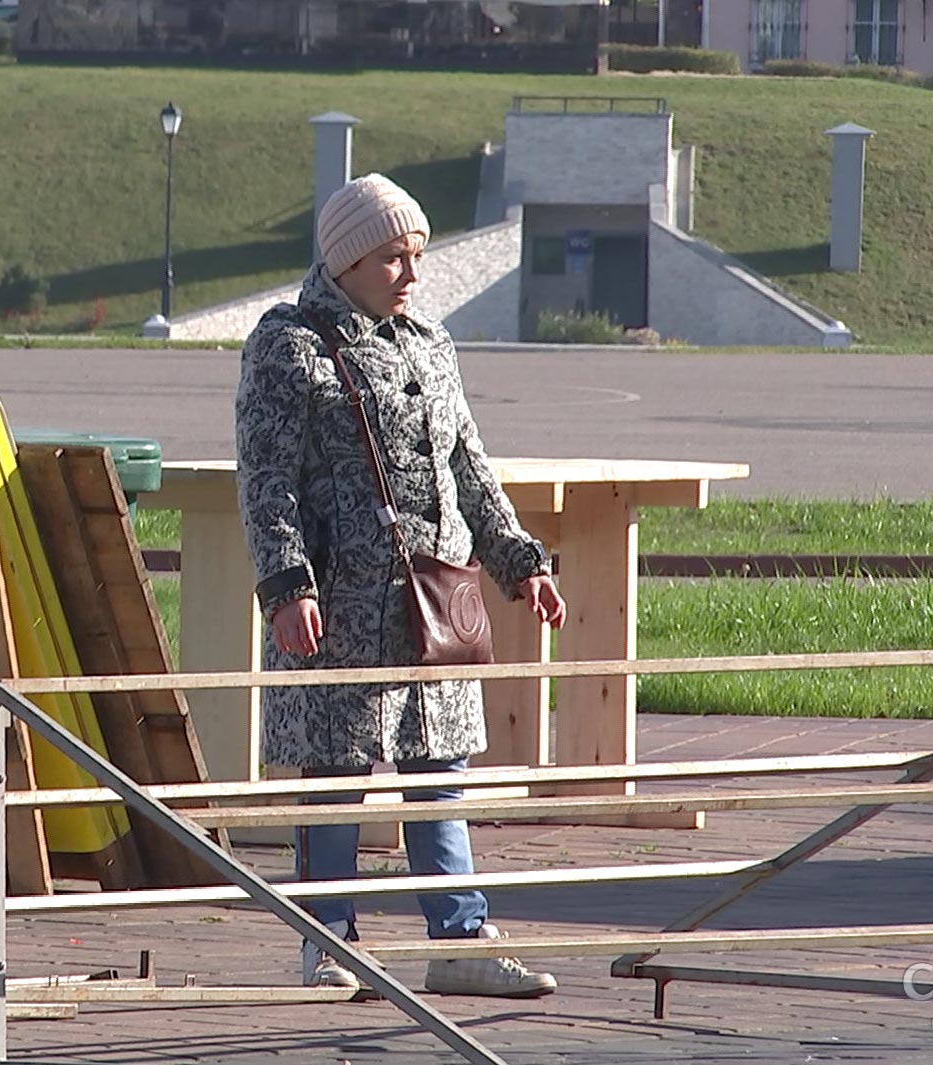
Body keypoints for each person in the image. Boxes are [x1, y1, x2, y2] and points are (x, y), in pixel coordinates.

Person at [234, 174, 568, 998]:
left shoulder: (430, 341)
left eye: (416, 253)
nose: (411, 271)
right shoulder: (291, 343)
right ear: (346, 261)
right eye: (392, 256)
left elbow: (470, 468)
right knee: (335, 770)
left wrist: (523, 562)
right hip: (339, 603)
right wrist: (286, 586)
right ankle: (328, 942)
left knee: (439, 767)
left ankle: (460, 935)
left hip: (434, 599)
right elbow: (266, 478)